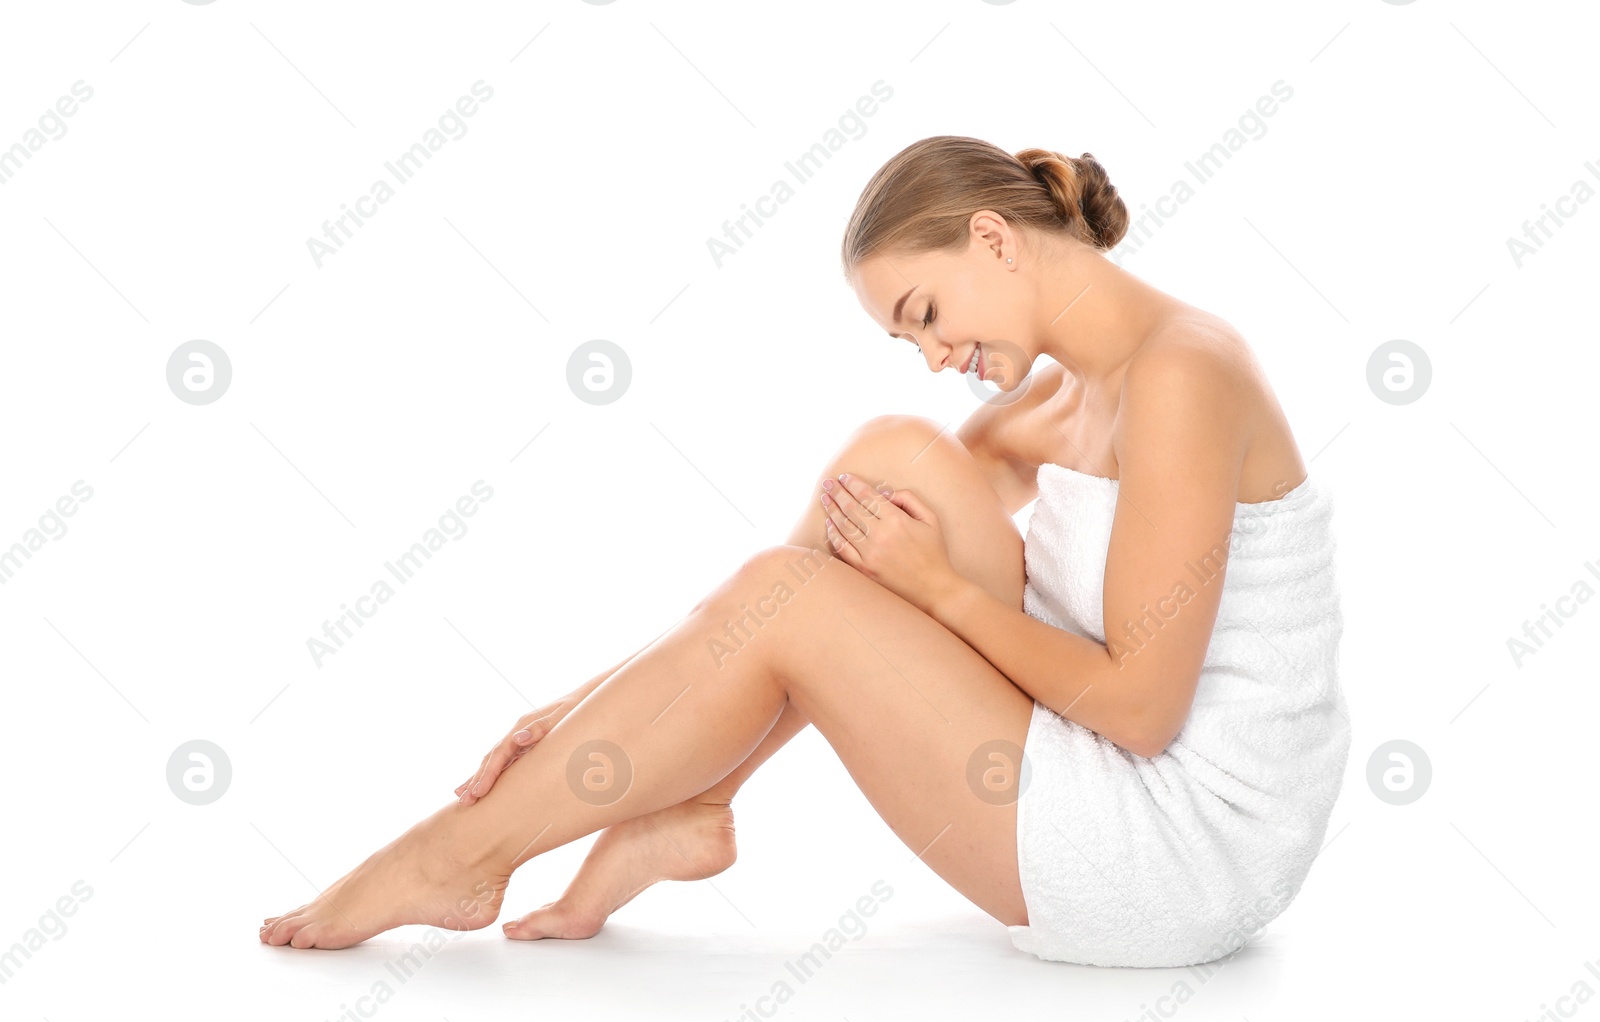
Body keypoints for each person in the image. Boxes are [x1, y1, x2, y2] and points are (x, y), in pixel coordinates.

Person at [261, 135, 1349, 966]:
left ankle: (461, 856)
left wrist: (943, 594)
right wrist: (585, 703)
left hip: (1185, 846)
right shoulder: (1058, 402)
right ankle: (682, 799)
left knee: (822, 580)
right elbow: (825, 561)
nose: (933, 355)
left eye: (925, 313)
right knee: (889, 457)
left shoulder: (1180, 377)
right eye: (908, 337)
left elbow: (1140, 711)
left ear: (992, 236)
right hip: (1107, 767)